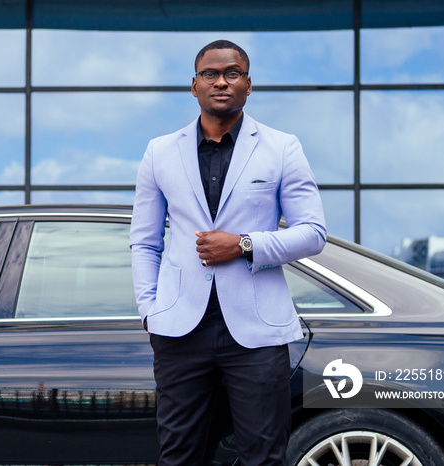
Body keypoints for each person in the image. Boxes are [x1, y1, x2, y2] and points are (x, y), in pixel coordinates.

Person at [129, 39, 327, 465]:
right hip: (180, 330)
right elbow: (145, 241)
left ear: (248, 85)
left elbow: (313, 233)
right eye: (210, 74)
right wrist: (150, 309)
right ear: (194, 85)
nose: (221, 81)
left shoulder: (281, 147)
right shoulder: (159, 152)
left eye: (232, 73)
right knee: (180, 456)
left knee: (263, 456)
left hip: (257, 331)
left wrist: (244, 244)